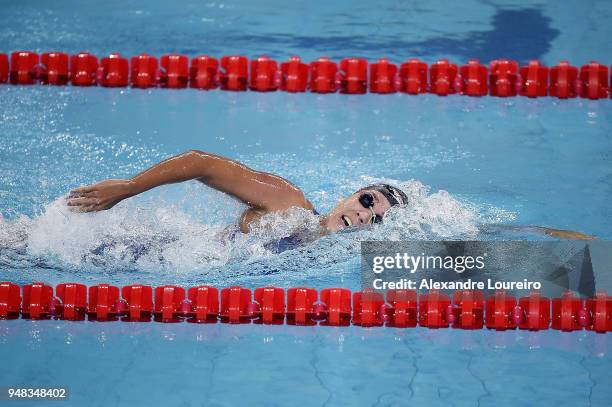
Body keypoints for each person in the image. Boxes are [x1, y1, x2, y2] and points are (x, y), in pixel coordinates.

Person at [67, 149, 595, 240]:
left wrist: (555, 236)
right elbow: (202, 164)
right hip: (129, 244)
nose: (366, 218)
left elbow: (478, 234)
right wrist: (126, 191)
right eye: (367, 202)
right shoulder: (289, 205)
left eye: (380, 219)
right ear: (349, 195)